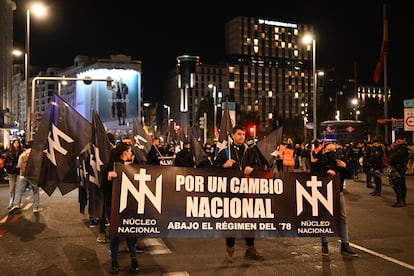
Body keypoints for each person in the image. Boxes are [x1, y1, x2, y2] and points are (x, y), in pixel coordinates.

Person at [213, 125, 265, 261]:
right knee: (232, 220)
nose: (242, 137)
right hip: (231, 193)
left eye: (243, 134)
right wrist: (224, 166)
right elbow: (213, 170)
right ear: (233, 136)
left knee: (249, 220)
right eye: (239, 134)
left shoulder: (250, 151)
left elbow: (261, 166)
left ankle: (250, 247)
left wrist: (252, 168)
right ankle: (230, 245)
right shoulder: (225, 152)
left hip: (248, 192)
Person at [312, 142, 358, 257]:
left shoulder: (340, 161)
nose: (332, 153)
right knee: (324, 217)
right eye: (329, 150)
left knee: (342, 218)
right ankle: (324, 242)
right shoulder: (320, 161)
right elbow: (313, 174)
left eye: (334, 150)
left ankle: (345, 244)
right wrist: (326, 172)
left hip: (338, 192)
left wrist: (344, 166)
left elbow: (350, 174)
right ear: (324, 151)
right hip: (323, 193)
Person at [101, 142, 139, 274]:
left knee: (130, 232)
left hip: (128, 205)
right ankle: (114, 261)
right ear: (124, 153)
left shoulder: (131, 166)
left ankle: (134, 260)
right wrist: (108, 178)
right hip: (113, 205)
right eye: (129, 151)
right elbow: (103, 187)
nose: (131, 153)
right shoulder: (110, 167)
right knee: (115, 234)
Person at [8, 141, 41, 214]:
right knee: (35, 191)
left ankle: (16, 204)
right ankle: (35, 208)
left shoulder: (23, 154)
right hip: (33, 175)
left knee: (19, 191)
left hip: (23, 175)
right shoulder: (36, 154)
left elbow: (19, 165)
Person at [387, 138, 409, 207]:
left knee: (396, 184)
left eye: (399, 141)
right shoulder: (403, 149)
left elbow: (393, 158)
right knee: (401, 184)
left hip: (398, 168)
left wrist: (392, 150)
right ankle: (402, 200)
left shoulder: (401, 150)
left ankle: (400, 200)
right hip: (400, 168)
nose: (397, 143)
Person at [4, 138, 23, 209]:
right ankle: (11, 202)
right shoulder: (9, 152)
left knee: (18, 188)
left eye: (18, 143)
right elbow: (6, 162)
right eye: (15, 143)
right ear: (13, 144)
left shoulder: (21, 152)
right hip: (11, 172)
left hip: (19, 172)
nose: (16, 145)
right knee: (12, 188)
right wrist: (11, 164)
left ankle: (17, 203)